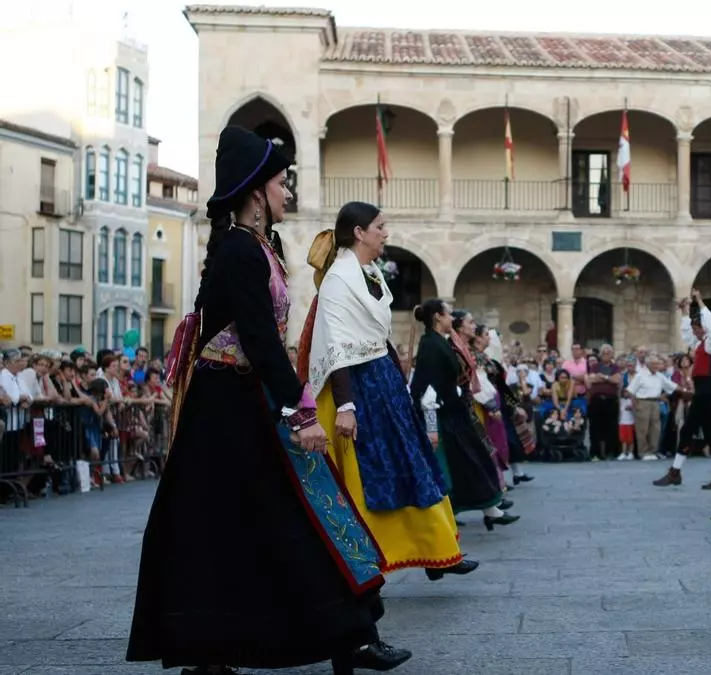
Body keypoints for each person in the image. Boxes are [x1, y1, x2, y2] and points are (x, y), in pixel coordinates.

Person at [127, 126, 410, 675]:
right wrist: (301, 410)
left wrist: (288, 400)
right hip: (227, 409)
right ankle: (227, 648)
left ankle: (347, 634)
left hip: (246, 399)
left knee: (287, 517)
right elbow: (256, 338)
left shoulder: (262, 247)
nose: (288, 193)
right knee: (255, 521)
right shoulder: (239, 250)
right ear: (257, 190)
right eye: (282, 184)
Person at [298, 201, 478, 581]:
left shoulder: (371, 273)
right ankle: (374, 557)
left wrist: (399, 379)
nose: (386, 232)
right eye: (380, 226)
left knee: (414, 462)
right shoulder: (338, 281)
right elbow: (336, 347)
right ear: (359, 232)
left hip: (385, 381)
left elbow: (378, 336)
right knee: (374, 474)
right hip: (357, 387)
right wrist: (346, 405)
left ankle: (438, 550)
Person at [408, 300, 518, 530]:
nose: (452, 319)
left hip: (455, 413)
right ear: (438, 317)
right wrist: (431, 426)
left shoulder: (440, 343)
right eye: (448, 314)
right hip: (442, 417)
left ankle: (490, 509)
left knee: (472, 461)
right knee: (453, 467)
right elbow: (427, 388)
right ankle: (449, 519)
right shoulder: (430, 345)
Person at [652, 289, 711, 488]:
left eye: (697, 328)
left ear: (703, 328)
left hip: (706, 390)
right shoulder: (701, 342)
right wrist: (685, 310)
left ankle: (675, 472)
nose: (694, 331)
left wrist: (700, 301)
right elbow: (686, 334)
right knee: (709, 432)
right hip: (705, 390)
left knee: (687, 430)